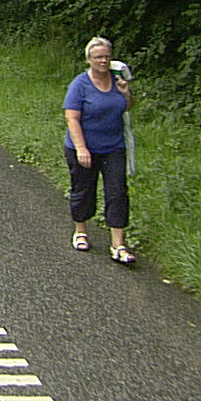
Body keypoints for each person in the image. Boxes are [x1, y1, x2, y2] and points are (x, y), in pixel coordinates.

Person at [63, 36, 135, 265]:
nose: (103, 61)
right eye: (98, 57)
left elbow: (127, 107)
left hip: (114, 146)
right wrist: (81, 148)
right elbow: (72, 118)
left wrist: (126, 93)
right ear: (89, 59)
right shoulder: (80, 85)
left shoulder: (117, 80)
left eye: (106, 57)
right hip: (84, 146)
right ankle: (81, 231)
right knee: (83, 189)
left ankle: (118, 244)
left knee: (117, 192)